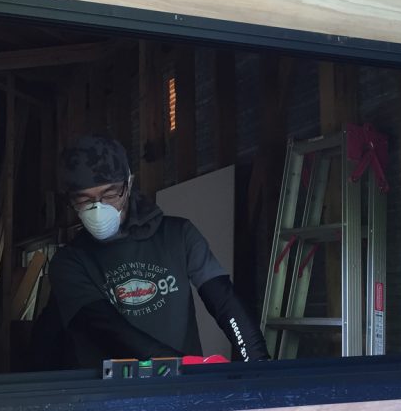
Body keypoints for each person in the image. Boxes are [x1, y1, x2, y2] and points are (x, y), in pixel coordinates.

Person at [46, 135, 270, 368]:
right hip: (111, 387)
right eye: (84, 200)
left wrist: (257, 360)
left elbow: (223, 300)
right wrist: (183, 364)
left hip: (179, 384)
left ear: (128, 185)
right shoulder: (69, 262)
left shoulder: (178, 235)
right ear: (70, 201)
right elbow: (108, 329)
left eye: (110, 195)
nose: (98, 208)